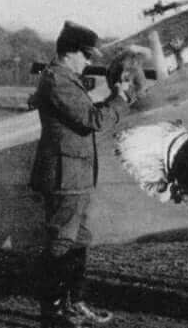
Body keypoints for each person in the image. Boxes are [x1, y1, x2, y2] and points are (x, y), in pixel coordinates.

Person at [30, 21, 138, 328]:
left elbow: (83, 114)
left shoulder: (66, 79)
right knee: (61, 244)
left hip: (74, 175)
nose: (89, 62)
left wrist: (112, 100)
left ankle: (73, 304)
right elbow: (92, 119)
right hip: (66, 176)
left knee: (78, 240)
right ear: (70, 52)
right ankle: (51, 316)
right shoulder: (58, 80)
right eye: (86, 55)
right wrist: (120, 99)